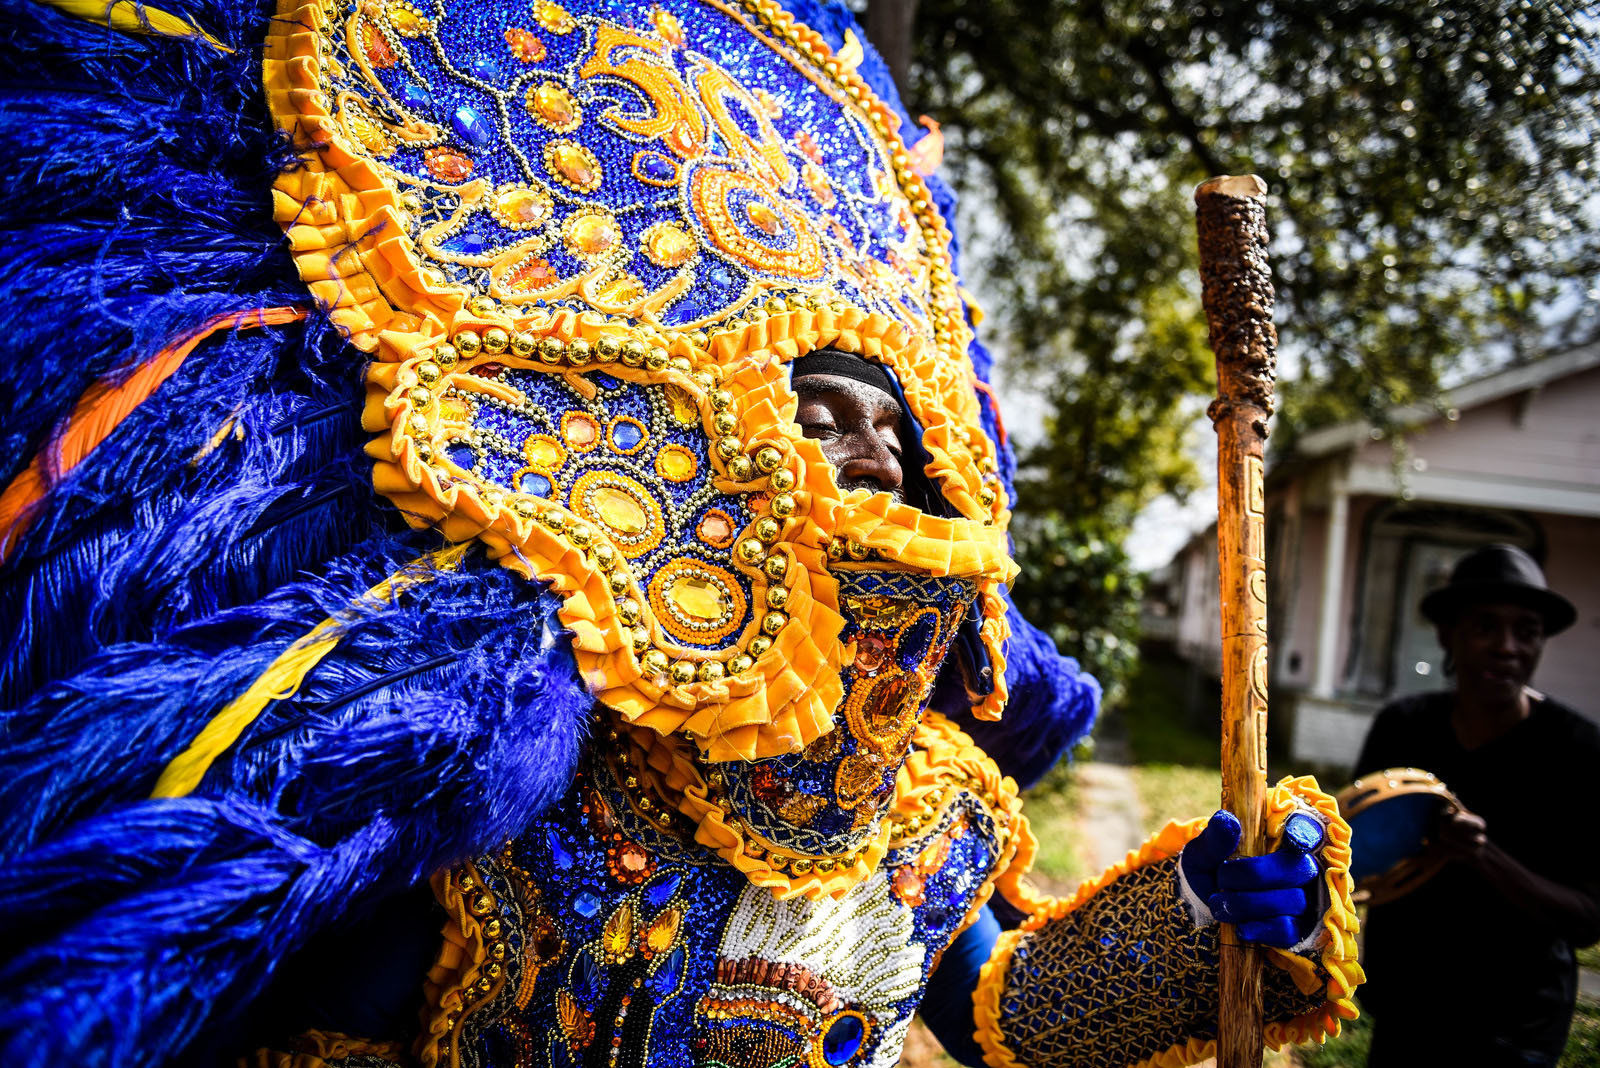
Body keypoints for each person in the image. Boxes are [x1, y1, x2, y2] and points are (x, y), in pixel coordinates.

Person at [0, 1, 1360, 1065]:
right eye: (823, 413)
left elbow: (1013, 1018)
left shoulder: (932, 814)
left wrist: (1203, 910)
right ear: (708, 454)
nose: (877, 450)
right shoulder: (543, 777)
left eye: (902, 430)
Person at [1355, 543, 1600, 1067]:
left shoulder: (1578, 749)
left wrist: (1484, 856)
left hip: (1515, 1025)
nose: (1506, 647)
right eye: (1485, 626)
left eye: (1526, 631)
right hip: (1409, 1008)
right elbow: (1354, 857)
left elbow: (1586, 920)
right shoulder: (1404, 726)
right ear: (1448, 633)